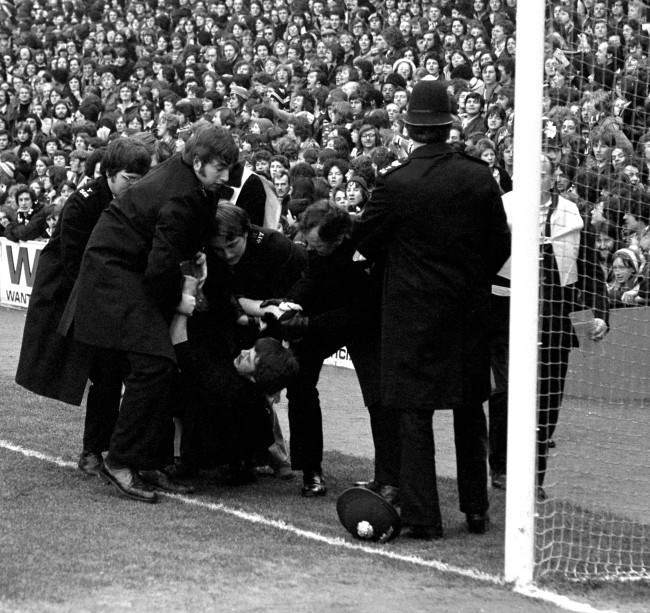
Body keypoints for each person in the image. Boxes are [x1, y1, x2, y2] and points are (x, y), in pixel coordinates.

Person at [355, 76, 511, 540]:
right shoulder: (478, 175)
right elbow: (499, 243)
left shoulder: (395, 183)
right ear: (448, 125)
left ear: (409, 127)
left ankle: (425, 517)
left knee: (413, 414)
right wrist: (468, 280)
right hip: (467, 312)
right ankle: (476, 509)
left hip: (411, 315)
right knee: (469, 409)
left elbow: (367, 240)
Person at [58, 126, 239, 504]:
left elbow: (181, 242)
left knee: (160, 365)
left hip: (127, 269)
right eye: (220, 168)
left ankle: (146, 461)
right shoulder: (180, 195)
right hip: (113, 274)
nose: (226, 177)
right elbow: (160, 268)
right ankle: (121, 461)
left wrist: (196, 255)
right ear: (199, 161)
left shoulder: (189, 180)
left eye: (229, 168)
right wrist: (180, 300)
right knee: (154, 363)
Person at [15, 138, 152, 476]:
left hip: (115, 295)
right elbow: (75, 261)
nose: (134, 186)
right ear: (109, 174)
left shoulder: (137, 202)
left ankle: (109, 447)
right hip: (76, 295)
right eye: (128, 179)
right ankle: (93, 450)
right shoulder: (82, 204)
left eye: (139, 179)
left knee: (112, 374)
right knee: (99, 371)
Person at [489, 156, 609, 498]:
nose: (534, 177)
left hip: (555, 317)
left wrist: (600, 312)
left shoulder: (571, 213)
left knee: (547, 400)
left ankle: (534, 478)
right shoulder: (503, 207)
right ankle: (501, 467)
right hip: (505, 312)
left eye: (541, 172)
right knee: (507, 391)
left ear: (553, 176)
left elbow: (590, 270)